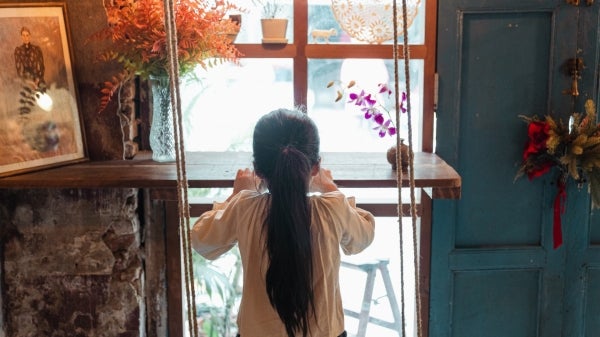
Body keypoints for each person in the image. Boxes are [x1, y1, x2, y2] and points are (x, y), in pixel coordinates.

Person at [191, 108, 375, 337]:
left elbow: (202, 241)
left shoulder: (244, 207)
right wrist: (330, 188)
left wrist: (236, 194)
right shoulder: (332, 208)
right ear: (316, 167)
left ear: (257, 170)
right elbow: (362, 238)